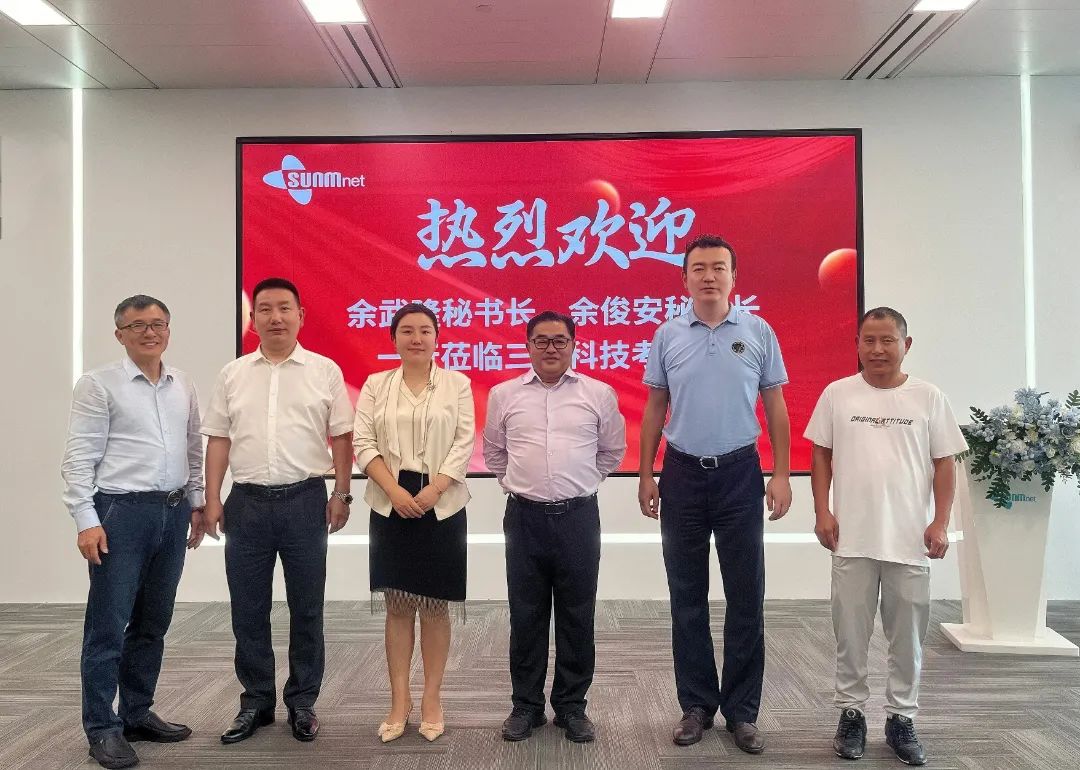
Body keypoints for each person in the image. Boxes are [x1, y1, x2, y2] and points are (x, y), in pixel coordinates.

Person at [638, 234, 792, 754]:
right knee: (687, 595)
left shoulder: (758, 331)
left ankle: (743, 712)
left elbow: (775, 407)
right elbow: (655, 408)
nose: (709, 275)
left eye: (718, 267)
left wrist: (782, 474)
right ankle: (697, 705)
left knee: (746, 594)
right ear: (683, 278)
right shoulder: (667, 334)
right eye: (699, 267)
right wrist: (646, 475)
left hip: (740, 473)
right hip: (681, 473)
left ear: (733, 277)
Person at [804, 306, 967, 766]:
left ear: (906, 345)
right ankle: (851, 714)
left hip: (909, 541)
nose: (877, 349)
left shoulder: (928, 397)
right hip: (851, 539)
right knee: (850, 636)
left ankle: (901, 718)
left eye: (887, 340)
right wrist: (822, 510)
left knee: (907, 639)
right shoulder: (838, 394)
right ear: (857, 344)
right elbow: (821, 455)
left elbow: (945, 463)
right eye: (869, 340)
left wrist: (940, 521)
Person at [201, 277, 353, 744]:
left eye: (285, 308)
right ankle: (256, 702)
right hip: (246, 503)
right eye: (265, 309)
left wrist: (341, 493)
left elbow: (342, 436)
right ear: (254, 319)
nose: (275, 317)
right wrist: (212, 497)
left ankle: (302, 702)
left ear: (300, 316)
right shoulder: (233, 373)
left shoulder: (324, 370)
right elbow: (219, 438)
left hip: (305, 500)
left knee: (307, 608)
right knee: (248, 609)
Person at [61, 294, 205, 770]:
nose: (149, 332)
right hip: (120, 514)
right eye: (138, 325)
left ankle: (137, 713)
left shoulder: (183, 383)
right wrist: (86, 519)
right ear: (119, 334)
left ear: (169, 330)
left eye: (158, 324)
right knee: (108, 626)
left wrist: (197, 503)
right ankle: (102, 728)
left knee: (152, 623)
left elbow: (193, 448)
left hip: (173, 511)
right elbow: (79, 457)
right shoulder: (98, 384)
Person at [484, 310, 626, 744]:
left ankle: (571, 707)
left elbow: (612, 451)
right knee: (525, 615)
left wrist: (580, 483)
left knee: (577, 615)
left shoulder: (598, 394)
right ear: (528, 346)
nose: (551, 348)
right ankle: (526, 707)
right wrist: (519, 484)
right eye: (541, 341)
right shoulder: (504, 394)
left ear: (573, 345)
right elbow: (494, 453)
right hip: (524, 518)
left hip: (578, 518)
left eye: (559, 340)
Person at [353, 303, 474, 743]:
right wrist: (395, 491)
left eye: (425, 330)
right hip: (390, 502)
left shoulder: (458, 384)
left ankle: (432, 698)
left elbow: (464, 442)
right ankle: (399, 700)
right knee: (399, 605)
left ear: (437, 337)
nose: (416, 338)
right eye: (407, 331)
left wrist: (434, 489)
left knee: (436, 606)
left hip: (441, 504)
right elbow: (364, 442)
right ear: (393, 338)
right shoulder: (375, 384)